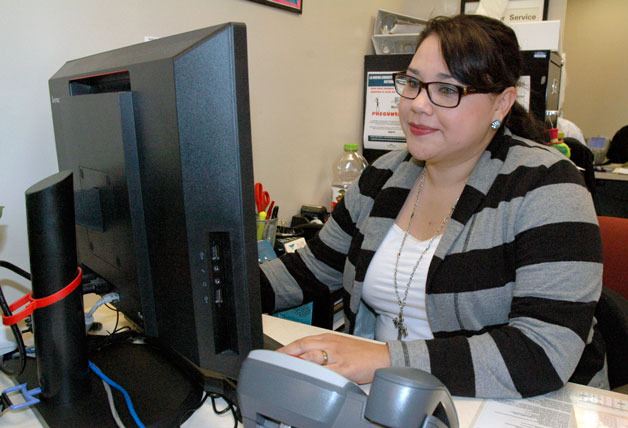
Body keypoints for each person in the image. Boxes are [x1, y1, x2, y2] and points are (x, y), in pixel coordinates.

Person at [259, 14, 606, 398]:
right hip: (395, 397)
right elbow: (308, 270)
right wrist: (212, 288)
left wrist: (382, 358)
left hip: (512, 405)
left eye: (446, 90)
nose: (418, 105)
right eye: (412, 83)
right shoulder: (383, 178)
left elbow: (541, 351)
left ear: (502, 103)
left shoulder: (548, 186)